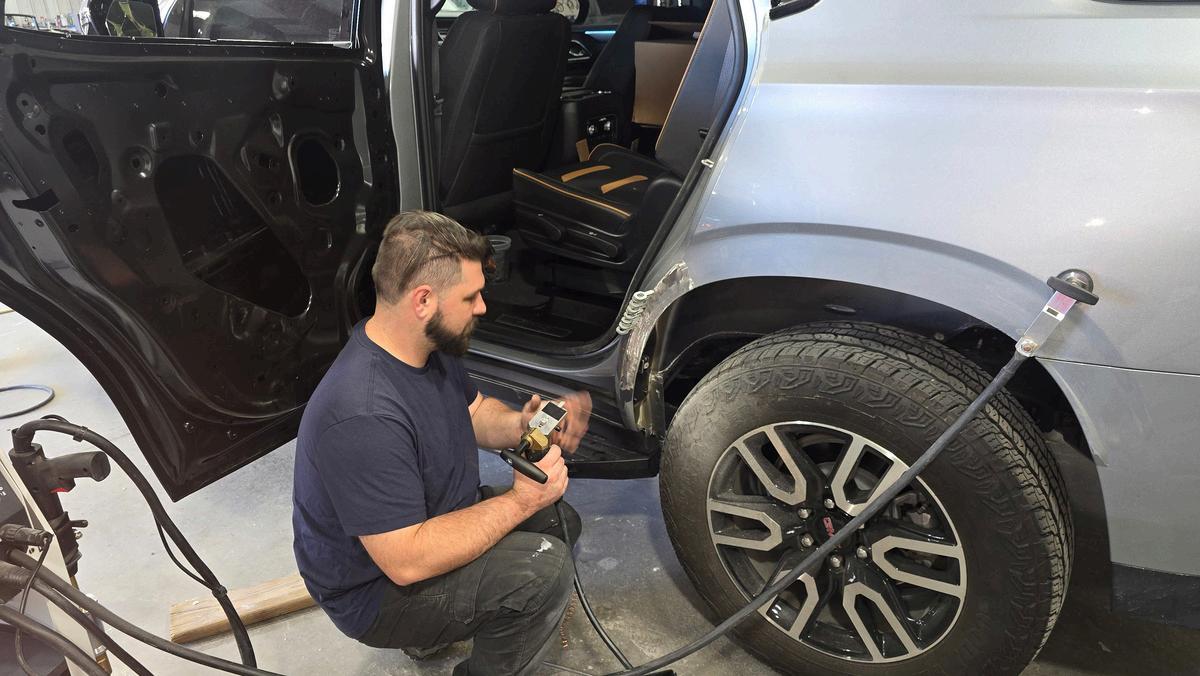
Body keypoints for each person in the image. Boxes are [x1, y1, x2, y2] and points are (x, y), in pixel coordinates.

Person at [292, 210, 593, 675]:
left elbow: (473, 413)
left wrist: (522, 424)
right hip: (377, 589)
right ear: (424, 300)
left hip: (430, 520)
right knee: (541, 573)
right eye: (470, 297)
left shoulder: (426, 347)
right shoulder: (361, 414)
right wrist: (519, 501)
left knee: (559, 521)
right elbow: (406, 561)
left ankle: (440, 630)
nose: (482, 307)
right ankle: (430, 639)